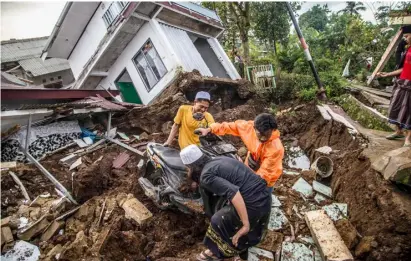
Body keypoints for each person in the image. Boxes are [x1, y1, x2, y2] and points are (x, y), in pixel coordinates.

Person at [180, 145, 271, 261]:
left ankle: (217, 252)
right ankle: (240, 250)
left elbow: (234, 193)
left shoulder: (206, 176)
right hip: (265, 196)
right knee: (229, 216)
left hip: (253, 204)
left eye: (187, 168)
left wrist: (245, 224)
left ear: (191, 167)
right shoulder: (219, 159)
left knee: (218, 220)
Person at [196, 113, 284, 189]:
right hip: (250, 163)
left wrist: (248, 186)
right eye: (260, 134)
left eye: (266, 135)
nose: (263, 138)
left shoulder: (275, 149)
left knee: (260, 196)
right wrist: (210, 129)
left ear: (273, 130)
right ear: (254, 128)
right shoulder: (248, 127)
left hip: (266, 179)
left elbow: (264, 175)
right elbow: (229, 126)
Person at [377, 25, 411, 147]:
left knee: (408, 111)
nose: (405, 39)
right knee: (394, 106)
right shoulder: (408, 49)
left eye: (407, 36)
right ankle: (398, 131)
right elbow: (403, 68)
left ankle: (408, 139)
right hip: (401, 82)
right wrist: (388, 74)